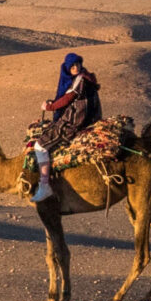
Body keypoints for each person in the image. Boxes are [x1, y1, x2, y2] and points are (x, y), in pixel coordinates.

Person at [26, 53, 101, 202]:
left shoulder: (80, 80)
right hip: (81, 121)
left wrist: (50, 107)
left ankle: (44, 186)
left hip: (72, 124)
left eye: (77, 65)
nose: (75, 68)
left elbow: (68, 98)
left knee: (40, 146)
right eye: (72, 66)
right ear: (67, 68)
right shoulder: (85, 78)